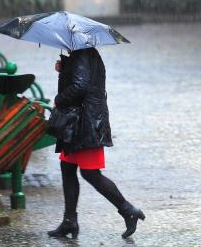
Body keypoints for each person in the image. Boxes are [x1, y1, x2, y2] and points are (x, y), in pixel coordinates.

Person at [47, 48, 145, 239]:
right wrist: (65, 68)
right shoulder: (81, 55)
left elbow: (80, 86)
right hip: (78, 124)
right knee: (67, 167)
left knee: (90, 173)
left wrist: (58, 100)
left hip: (86, 124)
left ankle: (128, 210)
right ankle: (69, 221)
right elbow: (82, 80)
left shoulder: (82, 54)